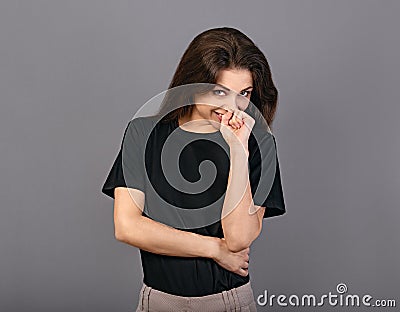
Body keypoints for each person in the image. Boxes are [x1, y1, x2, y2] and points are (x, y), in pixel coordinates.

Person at [101, 27, 286, 312]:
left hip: (229, 302)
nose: (233, 107)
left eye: (244, 93)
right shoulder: (144, 132)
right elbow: (127, 227)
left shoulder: (259, 144)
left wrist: (238, 151)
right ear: (192, 84)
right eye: (219, 92)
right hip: (158, 302)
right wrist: (214, 249)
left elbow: (237, 240)